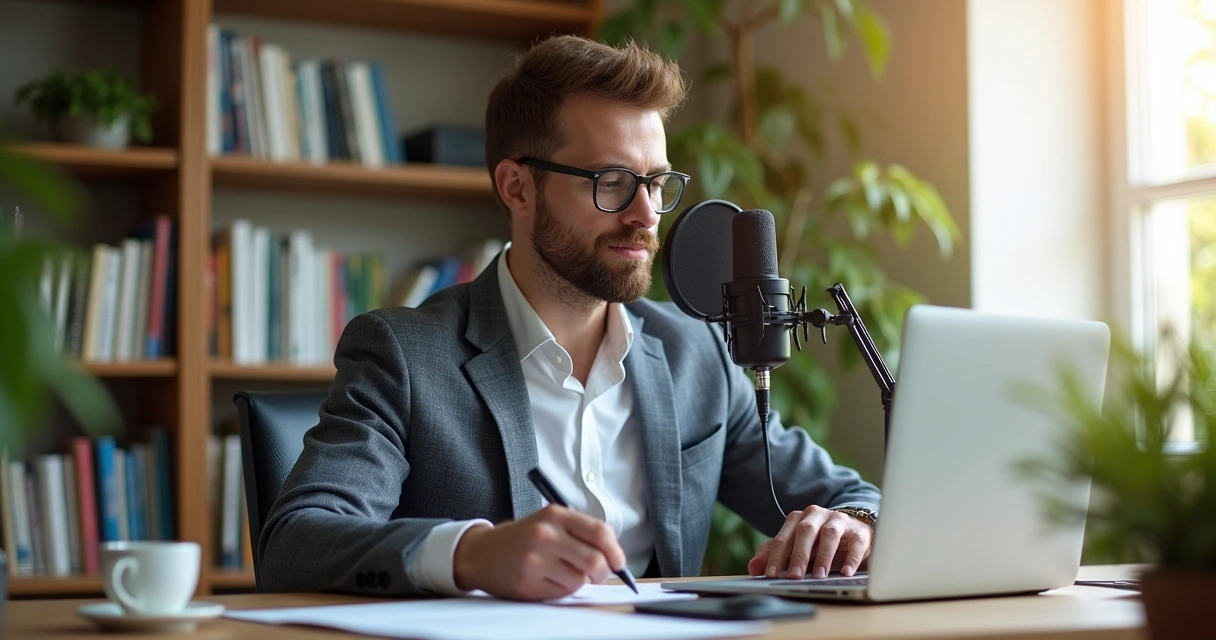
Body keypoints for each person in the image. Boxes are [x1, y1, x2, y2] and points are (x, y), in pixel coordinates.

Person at [260, 35, 881, 601]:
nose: (645, 215)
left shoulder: (697, 355)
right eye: (612, 181)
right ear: (518, 188)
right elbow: (296, 540)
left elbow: (858, 500)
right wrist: (471, 554)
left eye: (658, 184)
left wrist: (853, 526)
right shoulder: (404, 355)